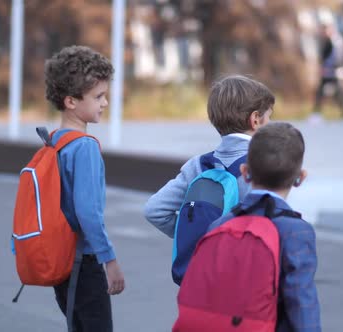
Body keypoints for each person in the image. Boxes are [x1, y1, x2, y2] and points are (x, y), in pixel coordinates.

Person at [208, 122, 322, 331]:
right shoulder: (297, 231)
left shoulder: (220, 224)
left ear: (245, 172)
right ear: (301, 177)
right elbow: (301, 301)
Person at [45, 45, 124, 332]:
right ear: (71, 101)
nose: (105, 103)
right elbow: (88, 212)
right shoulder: (85, 148)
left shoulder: (54, 141)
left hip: (61, 260)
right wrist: (109, 259)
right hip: (83, 262)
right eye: (98, 96)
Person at [143, 75, 275, 238]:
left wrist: (195, 234)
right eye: (270, 117)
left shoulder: (197, 165)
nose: (271, 123)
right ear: (255, 120)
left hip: (201, 262)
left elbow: (154, 210)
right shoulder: (264, 166)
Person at [311, 23, 343, 123]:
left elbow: (339, 57)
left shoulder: (337, 41)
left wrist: (333, 67)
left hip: (335, 71)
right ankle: (316, 113)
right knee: (320, 92)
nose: (323, 33)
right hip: (328, 71)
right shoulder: (327, 41)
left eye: (324, 31)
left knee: (340, 92)